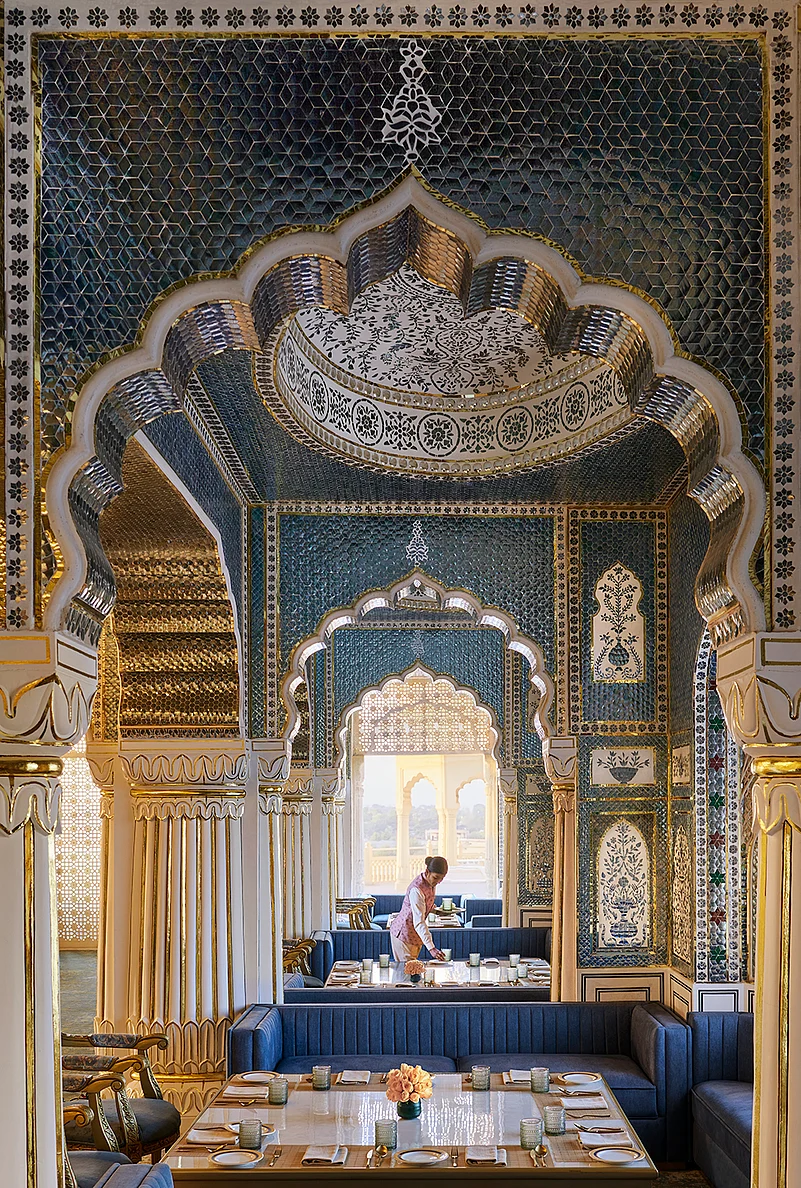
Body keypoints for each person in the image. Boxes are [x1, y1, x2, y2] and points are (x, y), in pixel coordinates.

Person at [389, 856, 449, 962]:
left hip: (415, 936)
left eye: (441, 878)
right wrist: (432, 948)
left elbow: (424, 905)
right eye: (436, 878)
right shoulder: (416, 889)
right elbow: (419, 922)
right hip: (403, 934)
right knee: (406, 974)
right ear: (427, 872)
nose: (438, 882)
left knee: (413, 973)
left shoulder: (431, 883)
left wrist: (436, 911)